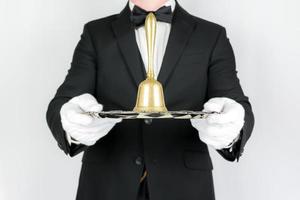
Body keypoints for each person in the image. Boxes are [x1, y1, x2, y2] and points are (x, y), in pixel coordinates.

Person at [46, 0, 255, 199]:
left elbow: (236, 103)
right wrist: (71, 122)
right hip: (106, 186)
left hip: (185, 187)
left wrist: (231, 127)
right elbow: (62, 102)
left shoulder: (211, 35)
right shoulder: (95, 33)